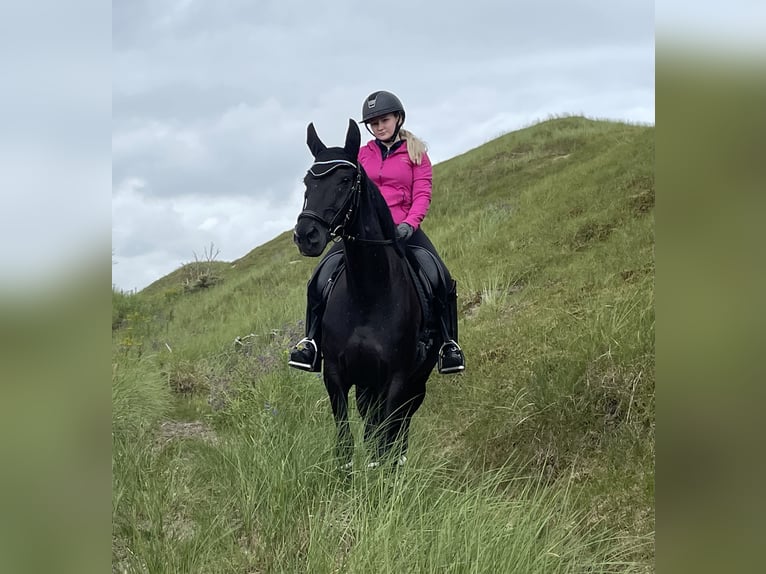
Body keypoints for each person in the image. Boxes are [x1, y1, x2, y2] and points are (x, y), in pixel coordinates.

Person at [289, 90, 465, 374]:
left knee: (439, 276)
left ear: (398, 118)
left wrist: (410, 223)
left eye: (384, 119)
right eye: (373, 122)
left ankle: (448, 345)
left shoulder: (416, 154)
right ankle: (311, 342)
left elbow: (422, 194)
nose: (379, 126)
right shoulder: (361, 156)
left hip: (403, 229)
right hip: (362, 234)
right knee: (319, 278)